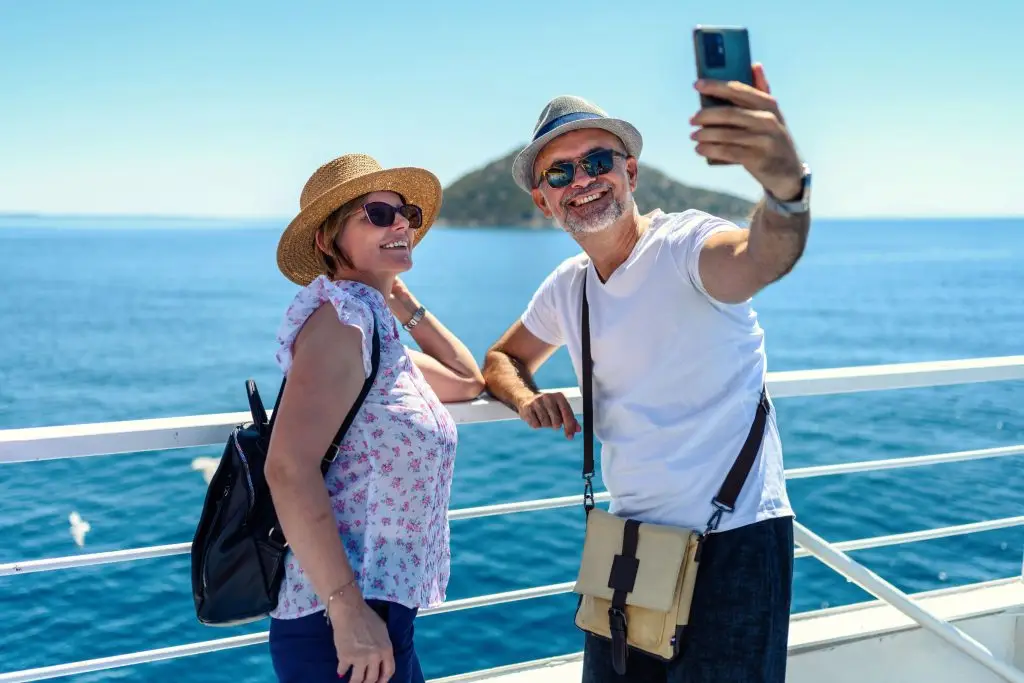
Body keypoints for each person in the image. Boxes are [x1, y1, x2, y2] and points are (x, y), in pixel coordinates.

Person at [482, 66, 811, 682]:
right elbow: (502, 358)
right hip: (629, 548)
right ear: (545, 200)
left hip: (733, 542)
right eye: (560, 173)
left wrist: (785, 190)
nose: (582, 181)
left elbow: (760, 257)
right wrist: (527, 399)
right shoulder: (568, 288)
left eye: (597, 160)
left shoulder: (686, 246)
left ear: (629, 171)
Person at [265, 153, 485, 683]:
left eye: (405, 212)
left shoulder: (376, 326)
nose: (402, 222)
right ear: (327, 240)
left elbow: (467, 378)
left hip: (381, 615)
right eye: (378, 214)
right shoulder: (342, 323)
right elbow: (288, 468)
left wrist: (404, 302)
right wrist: (345, 610)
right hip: (341, 624)